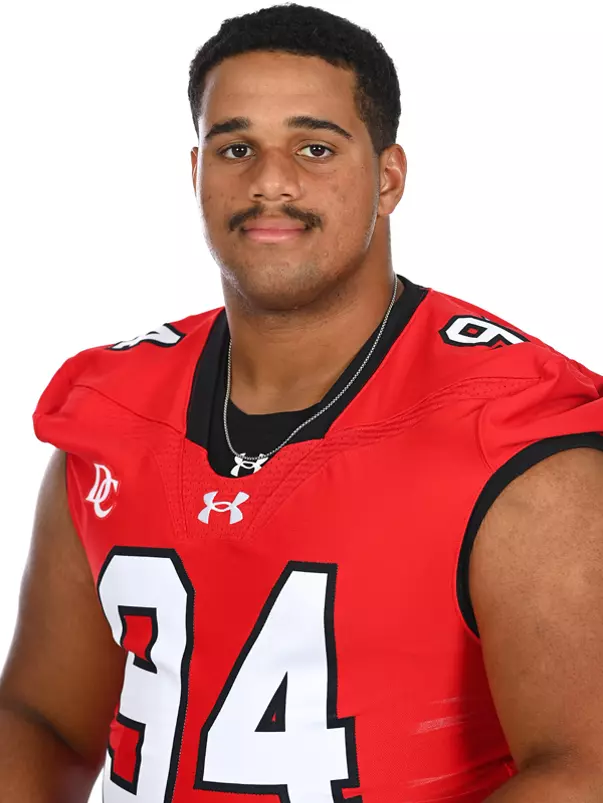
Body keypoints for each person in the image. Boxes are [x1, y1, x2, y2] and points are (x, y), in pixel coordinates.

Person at [2, 4, 603, 802]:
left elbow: (584, 766)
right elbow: (44, 719)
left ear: (387, 177)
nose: (270, 181)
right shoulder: (111, 409)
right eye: (236, 147)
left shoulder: (515, 430)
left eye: (313, 147)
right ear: (196, 172)